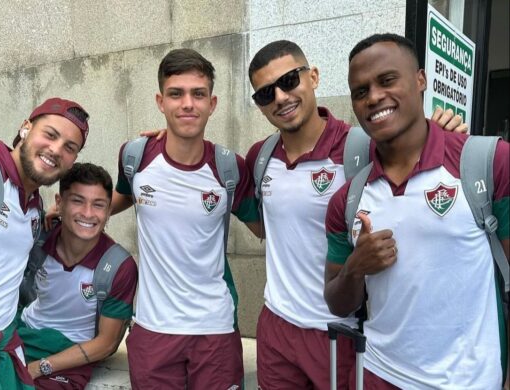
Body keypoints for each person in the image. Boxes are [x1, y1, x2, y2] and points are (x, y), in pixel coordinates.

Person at [244, 40, 468, 389]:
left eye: (289, 81)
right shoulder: (260, 156)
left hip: (341, 332)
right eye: (265, 94)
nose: (280, 98)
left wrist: (445, 129)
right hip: (277, 327)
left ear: (313, 76)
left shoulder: (362, 147)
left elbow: (416, 141)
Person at [324, 33, 509, 389]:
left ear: (420, 80)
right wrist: (355, 267)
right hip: (377, 374)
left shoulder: (489, 163)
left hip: (471, 381)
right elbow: (337, 303)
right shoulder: (347, 199)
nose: (374, 97)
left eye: (387, 80)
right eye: (360, 91)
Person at [112, 48, 261, 389]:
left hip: (215, 331)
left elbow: (267, 229)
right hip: (153, 330)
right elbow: (109, 203)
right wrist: (62, 211)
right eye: (176, 94)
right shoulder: (135, 157)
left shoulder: (230, 168)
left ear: (213, 103)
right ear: (160, 101)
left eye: (198, 94)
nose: (187, 104)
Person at [0, 97, 89, 389]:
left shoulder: (34, 206)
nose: (56, 150)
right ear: (25, 128)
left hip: (1, 354)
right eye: (50, 134)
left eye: (70, 148)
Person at [16, 162, 138, 389]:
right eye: (77, 201)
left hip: (72, 353)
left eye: (99, 205)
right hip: (24, 333)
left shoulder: (118, 266)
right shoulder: (37, 237)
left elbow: (107, 344)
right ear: (59, 203)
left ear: (109, 209)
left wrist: (40, 366)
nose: (88, 213)